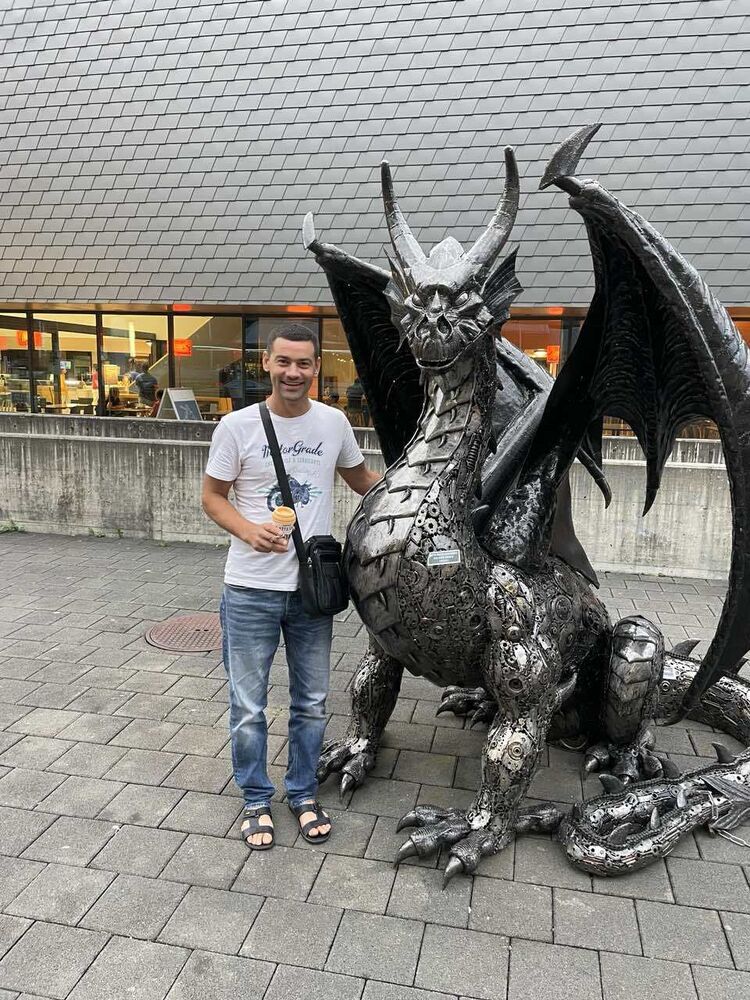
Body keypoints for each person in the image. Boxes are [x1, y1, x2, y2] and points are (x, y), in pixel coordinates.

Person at [202, 322, 380, 850]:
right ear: (267, 363)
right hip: (249, 588)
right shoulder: (236, 427)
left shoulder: (333, 423)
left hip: (311, 590)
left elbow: (363, 482)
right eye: (284, 361)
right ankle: (256, 799)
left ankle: (302, 793)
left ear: (316, 367)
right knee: (248, 706)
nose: (293, 372)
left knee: (312, 702)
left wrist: (422, 495)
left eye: (303, 363)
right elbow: (212, 497)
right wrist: (247, 530)